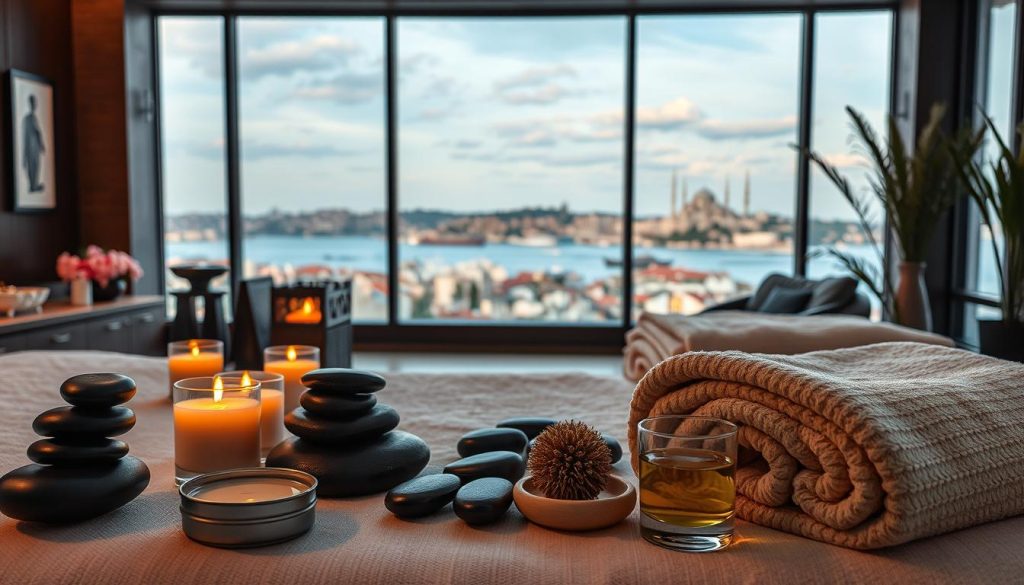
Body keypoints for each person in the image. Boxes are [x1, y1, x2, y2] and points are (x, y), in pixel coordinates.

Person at [22, 94, 45, 192]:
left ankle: (34, 185)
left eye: (35, 103)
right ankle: (33, 186)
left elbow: (38, 132)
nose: (34, 105)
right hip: (31, 147)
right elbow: (26, 136)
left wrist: (41, 144)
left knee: (36, 165)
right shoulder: (27, 119)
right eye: (33, 102)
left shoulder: (34, 118)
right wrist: (24, 155)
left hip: (35, 146)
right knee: (32, 165)